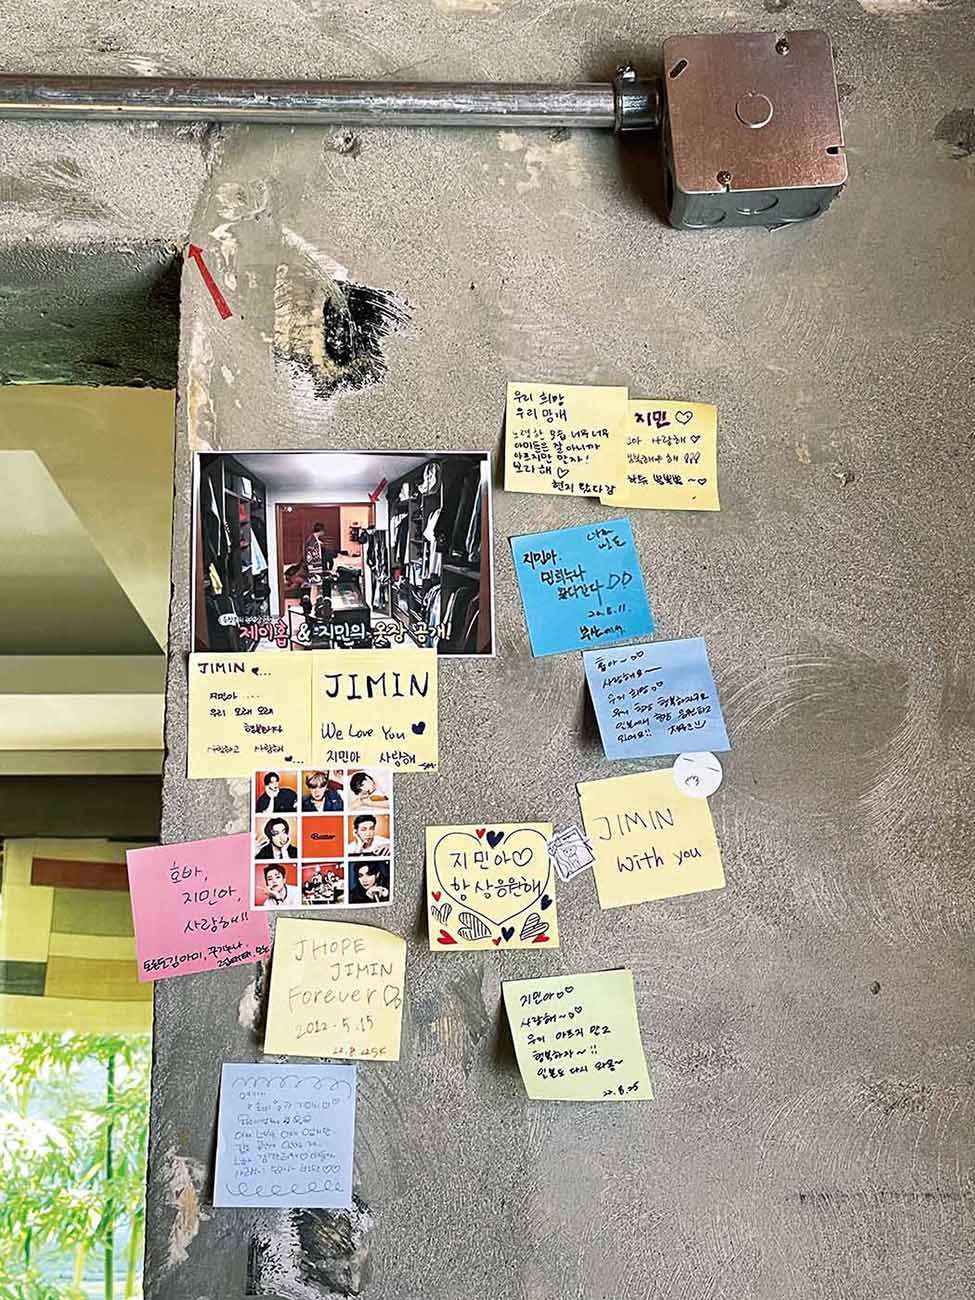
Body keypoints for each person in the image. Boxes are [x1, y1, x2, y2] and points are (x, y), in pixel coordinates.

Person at [303, 521, 334, 608]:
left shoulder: (313, 540)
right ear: (321, 531)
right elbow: (309, 556)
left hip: (315, 567)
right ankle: (313, 604)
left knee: (315, 586)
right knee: (314, 586)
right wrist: (311, 568)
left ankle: (315, 603)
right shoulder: (312, 541)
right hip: (314, 567)